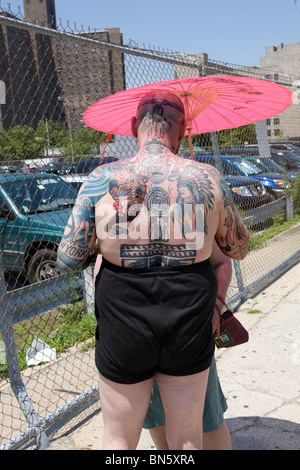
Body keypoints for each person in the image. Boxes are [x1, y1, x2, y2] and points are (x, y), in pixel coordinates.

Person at [57, 90, 249, 450]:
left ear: (134, 127)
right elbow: (237, 248)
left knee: (118, 440)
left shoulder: (103, 177)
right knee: (188, 440)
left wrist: (109, 236)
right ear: (183, 131)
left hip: (123, 313)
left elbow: (67, 259)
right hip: (189, 311)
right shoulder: (208, 177)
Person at [143, 241, 233, 450]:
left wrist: (217, 306)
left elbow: (222, 261)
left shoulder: (191, 210)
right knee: (157, 418)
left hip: (190, 332)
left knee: (207, 420)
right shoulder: (119, 212)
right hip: (140, 337)